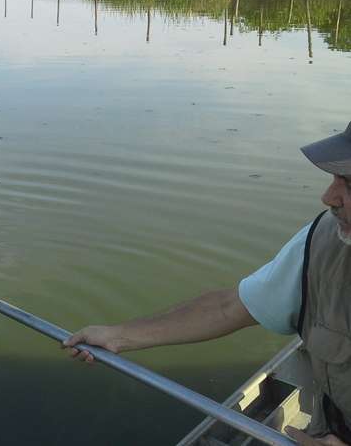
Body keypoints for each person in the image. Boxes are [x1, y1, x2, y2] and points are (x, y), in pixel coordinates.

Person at [63, 122, 351, 446]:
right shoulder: (323, 244)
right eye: (335, 178)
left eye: (349, 184)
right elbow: (230, 307)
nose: (329, 197)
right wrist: (118, 336)